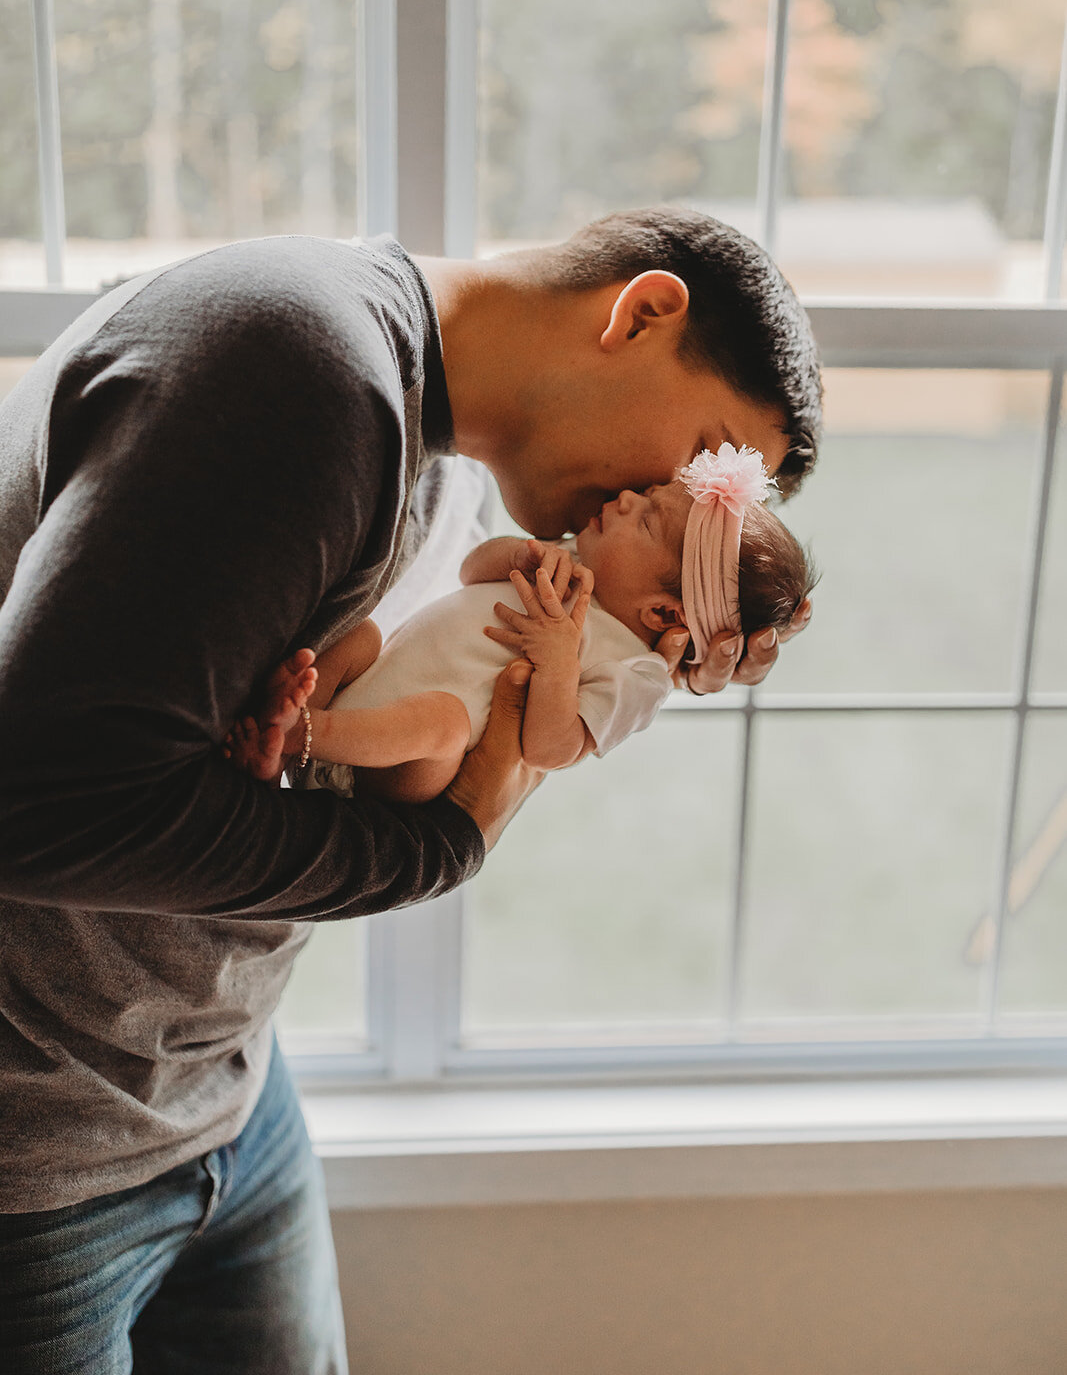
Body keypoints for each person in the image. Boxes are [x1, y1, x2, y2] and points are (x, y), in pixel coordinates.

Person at [0, 207, 821, 1372]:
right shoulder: (295, 367)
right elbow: (39, 802)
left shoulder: (441, 488)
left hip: (225, 1093)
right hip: (35, 1154)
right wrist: (435, 850)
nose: (673, 503)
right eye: (698, 461)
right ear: (640, 313)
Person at [226, 444, 815, 802]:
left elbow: (553, 748)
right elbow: (469, 572)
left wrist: (559, 662)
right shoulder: (569, 562)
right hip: (370, 691)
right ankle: (277, 756)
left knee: (446, 723)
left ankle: (303, 732)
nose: (629, 498)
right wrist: (518, 556)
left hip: (403, 773)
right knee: (362, 634)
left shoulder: (637, 673)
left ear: (663, 612)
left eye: (648, 520)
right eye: (648, 493)